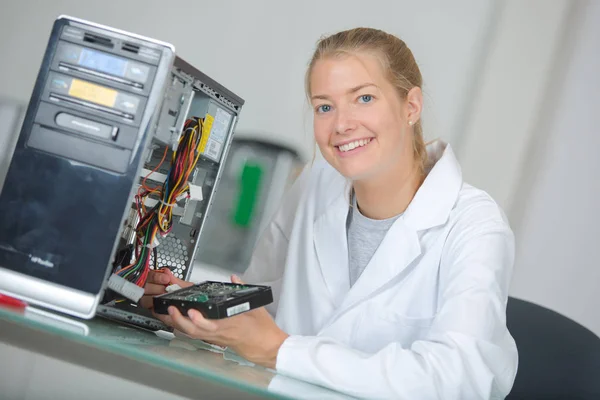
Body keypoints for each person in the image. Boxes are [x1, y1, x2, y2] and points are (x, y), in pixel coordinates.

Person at [142, 27, 518, 399]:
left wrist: (279, 350)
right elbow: (261, 311)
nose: (341, 124)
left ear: (411, 106)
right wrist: (196, 309)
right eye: (325, 106)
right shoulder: (317, 183)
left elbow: (460, 379)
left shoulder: (474, 226)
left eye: (364, 98)